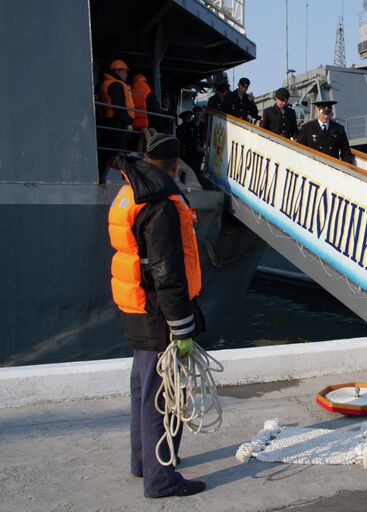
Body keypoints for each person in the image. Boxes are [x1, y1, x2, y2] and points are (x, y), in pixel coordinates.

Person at [107, 133, 206, 497]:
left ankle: (142, 461)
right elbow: (166, 270)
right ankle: (161, 478)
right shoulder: (160, 202)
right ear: (176, 165)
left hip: (135, 306)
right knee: (161, 395)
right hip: (159, 312)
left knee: (143, 388)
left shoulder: (130, 190)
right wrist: (182, 328)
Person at [97, 59, 135, 175]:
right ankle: (114, 175)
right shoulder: (116, 85)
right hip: (116, 125)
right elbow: (119, 106)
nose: (126, 74)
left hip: (110, 123)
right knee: (116, 154)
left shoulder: (108, 83)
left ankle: (109, 173)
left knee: (111, 153)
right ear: (118, 72)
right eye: (125, 72)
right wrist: (127, 123)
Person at [130, 73, 161, 150]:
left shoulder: (129, 93)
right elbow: (156, 111)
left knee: (135, 149)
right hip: (148, 129)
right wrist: (159, 127)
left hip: (134, 129)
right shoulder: (150, 94)